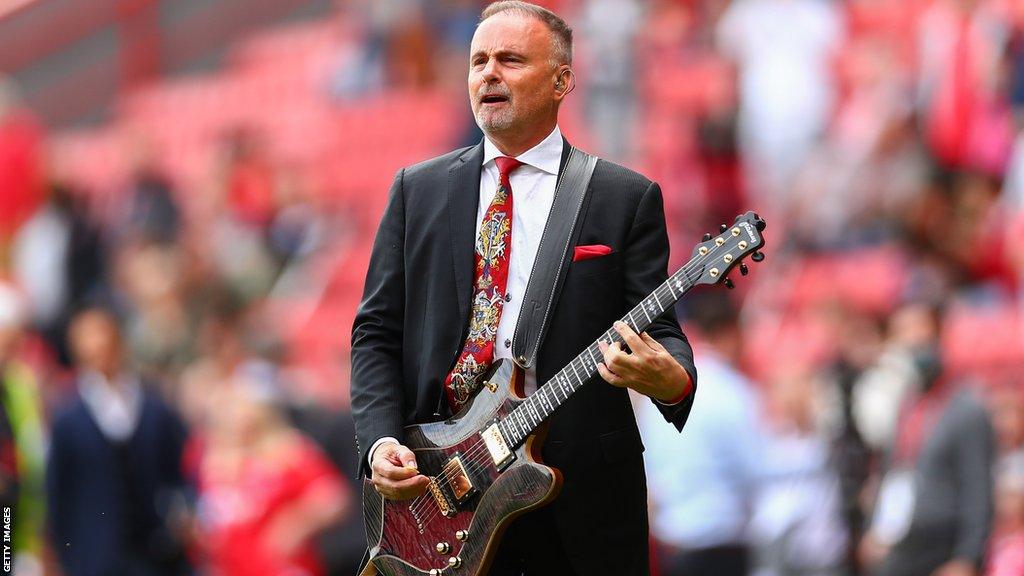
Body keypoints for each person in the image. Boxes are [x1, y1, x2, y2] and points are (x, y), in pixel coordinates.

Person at [349, 2, 698, 575]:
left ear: (562, 80)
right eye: (478, 60)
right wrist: (379, 442)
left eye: (510, 59)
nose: (489, 73)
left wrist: (674, 381)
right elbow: (376, 332)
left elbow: (660, 332)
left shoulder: (622, 197)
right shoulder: (418, 190)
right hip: (438, 490)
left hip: (579, 501)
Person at [46, 306, 191, 576]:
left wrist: (181, 513)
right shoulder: (67, 414)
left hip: (156, 552)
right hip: (95, 556)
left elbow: (180, 467)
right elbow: (58, 491)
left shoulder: (153, 403)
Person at [859, 302, 995, 576]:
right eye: (902, 332)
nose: (912, 339)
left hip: (941, 551)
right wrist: (873, 528)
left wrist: (967, 557)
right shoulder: (905, 406)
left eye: (919, 329)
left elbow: (978, 487)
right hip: (900, 547)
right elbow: (891, 473)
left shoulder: (966, 408)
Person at [638, 295, 759, 576]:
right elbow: (755, 466)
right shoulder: (733, 389)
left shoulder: (663, 389)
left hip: (674, 543)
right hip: (722, 541)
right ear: (730, 332)